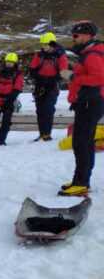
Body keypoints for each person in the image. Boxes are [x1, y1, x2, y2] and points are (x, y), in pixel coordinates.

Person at [58, 21, 104, 197]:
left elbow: (99, 77)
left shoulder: (92, 55)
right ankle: (81, 181)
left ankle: (81, 183)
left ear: (87, 36)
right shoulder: (89, 53)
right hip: (88, 101)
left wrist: (73, 75)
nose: (73, 38)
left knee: (82, 142)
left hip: (90, 102)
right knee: (83, 142)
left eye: (76, 35)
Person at [29, 32, 68, 141]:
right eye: (42, 45)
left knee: (48, 109)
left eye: (45, 44)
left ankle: (47, 134)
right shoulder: (39, 55)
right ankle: (42, 133)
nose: (43, 47)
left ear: (52, 44)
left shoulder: (60, 56)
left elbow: (63, 72)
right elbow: (32, 69)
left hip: (52, 86)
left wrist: (51, 79)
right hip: (39, 86)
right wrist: (39, 78)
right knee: (40, 110)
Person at [0, 53, 24, 146]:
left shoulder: (18, 75)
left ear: (15, 63)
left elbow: (17, 89)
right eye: (8, 62)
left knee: (6, 122)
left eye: (11, 62)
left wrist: (8, 100)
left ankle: (2, 141)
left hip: (9, 101)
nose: (9, 64)